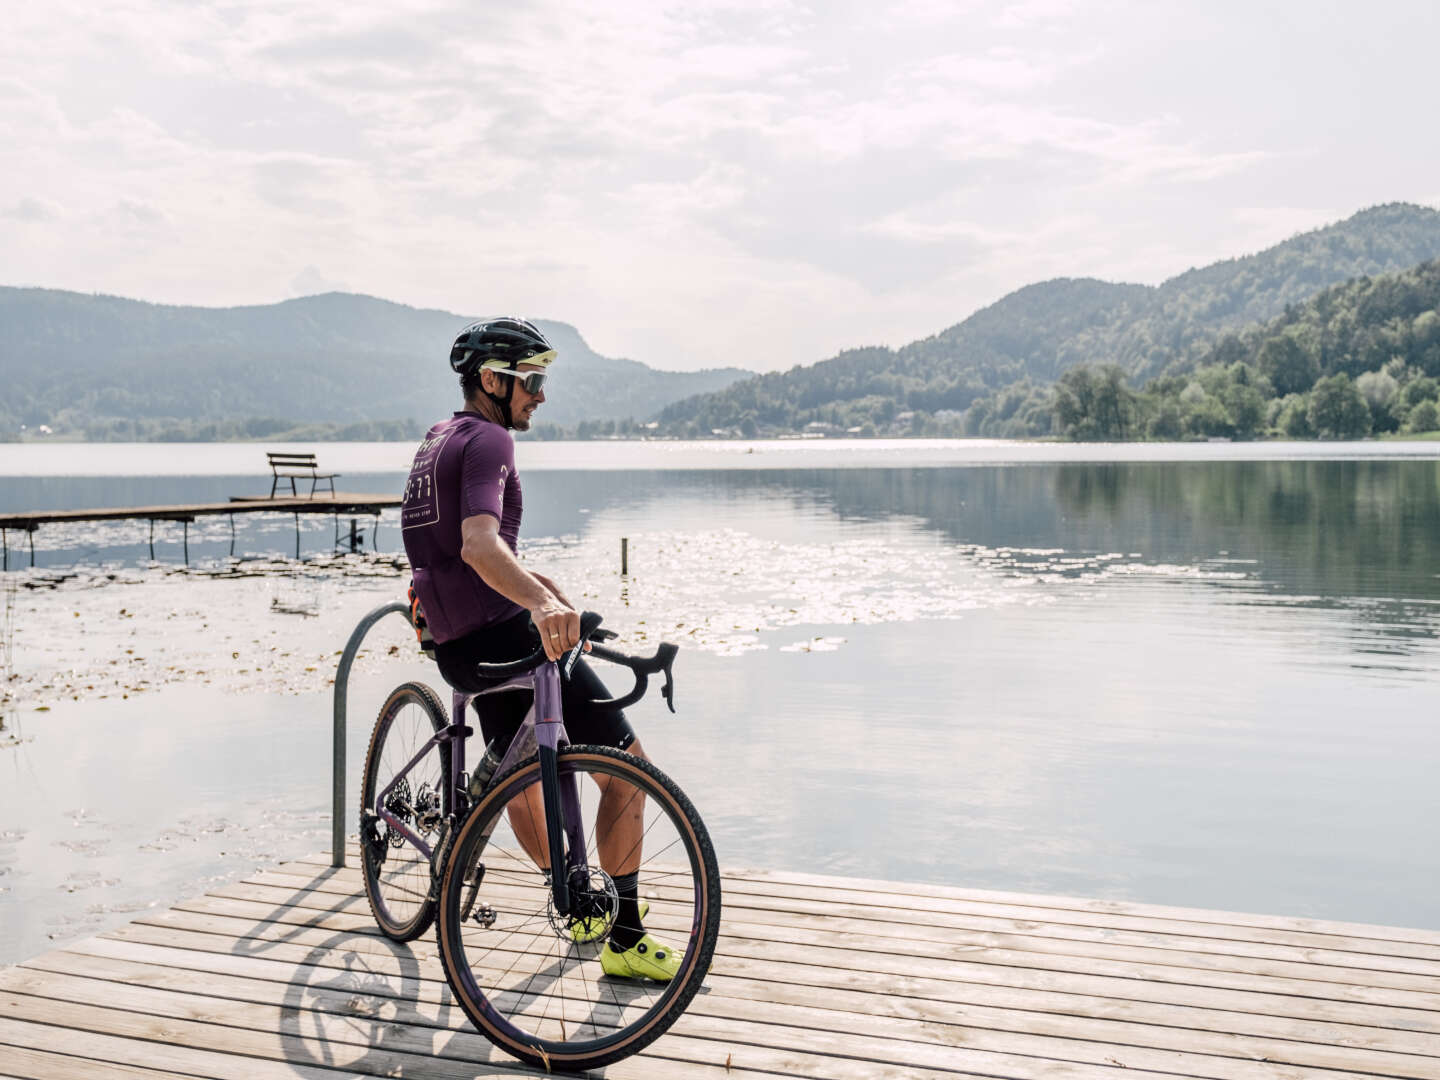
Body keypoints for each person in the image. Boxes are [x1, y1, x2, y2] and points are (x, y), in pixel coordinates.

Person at [400, 317, 678, 981]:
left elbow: (469, 558)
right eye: (532, 380)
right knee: (629, 769)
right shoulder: (492, 439)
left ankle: (577, 902)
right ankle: (627, 935)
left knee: (525, 770)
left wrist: (551, 593)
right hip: (509, 640)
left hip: (460, 649)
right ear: (493, 380)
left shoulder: (438, 440)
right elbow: (478, 545)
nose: (540, 395)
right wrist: (544, 606)